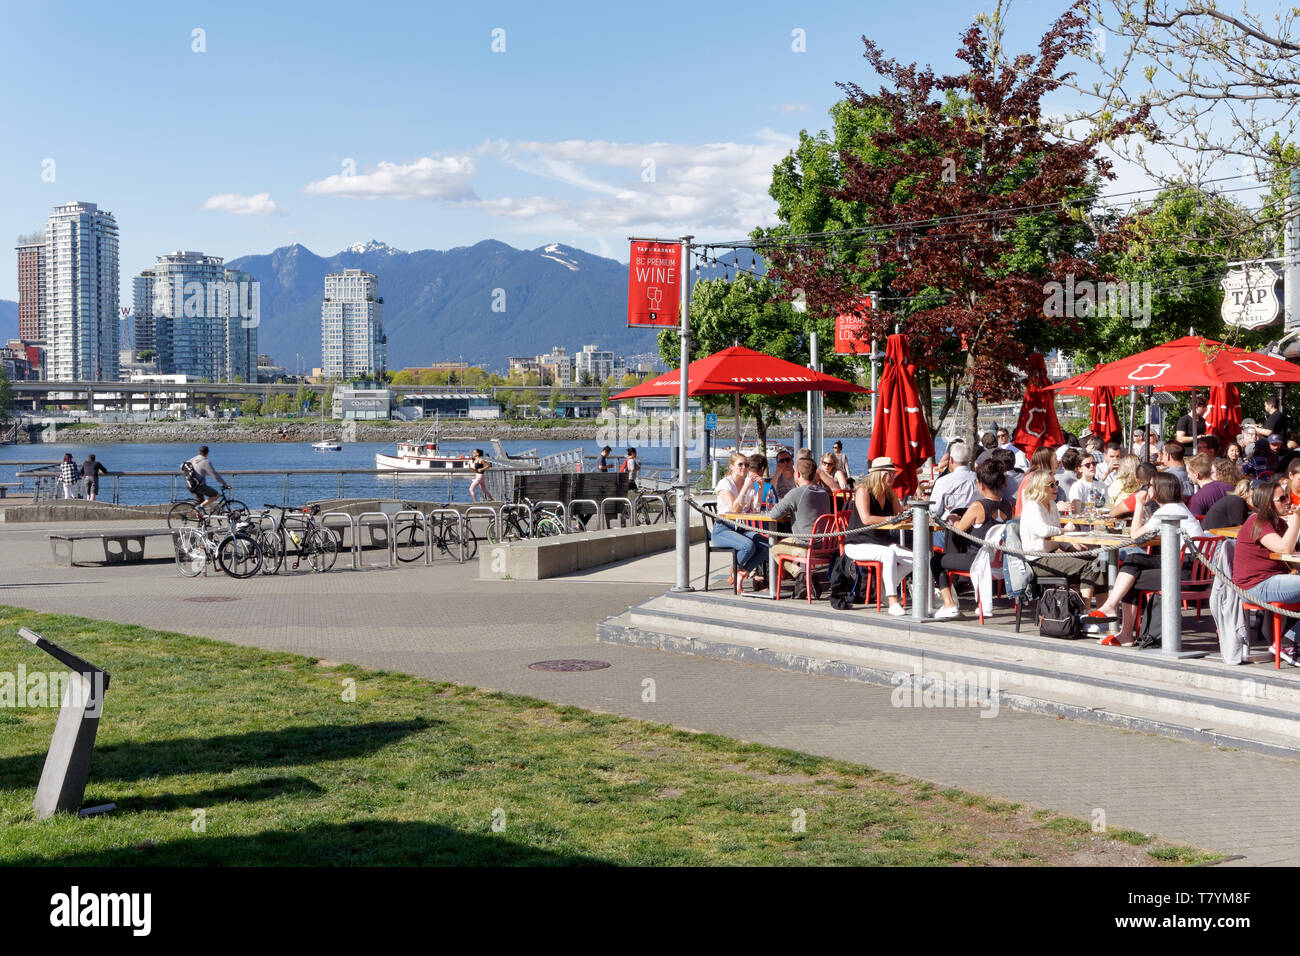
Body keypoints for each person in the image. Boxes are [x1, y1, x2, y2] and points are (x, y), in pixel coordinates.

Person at [1090, 473, 1205, 645]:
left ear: (1158, 490)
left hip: (1184, 573)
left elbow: (1135, 536)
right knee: (1133, 560)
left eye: (1149, 486)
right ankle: (1115, 613)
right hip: (1189, 566)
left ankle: (1122, 627)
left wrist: (1139, 504)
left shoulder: (1167, 511)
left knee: (1130, 576)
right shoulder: (1179, 507)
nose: (1146, 489)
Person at [931, 460, 1010, 619]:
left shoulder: (978, 506)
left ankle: (949, 604)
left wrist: (953, 519)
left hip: (975, 560)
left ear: (980, 485)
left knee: (935, 561)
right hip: (998, 561)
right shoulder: (1007, 506)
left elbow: (959, 529)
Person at [1019, 470, 1109, 604]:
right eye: (1051, 485)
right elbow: (1044, 531)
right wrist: (1064, 530)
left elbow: (1057, 538)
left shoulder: (1052, 504)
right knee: (1089, 567)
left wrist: (1071, 547)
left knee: (1100, 563)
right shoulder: (1032, 506)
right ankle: (1085, 614)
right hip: (1038, 559)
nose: (1056, 487)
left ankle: (1103, 613)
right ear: (1039, 486)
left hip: (1054, 553)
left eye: (1056, 483)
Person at [1233, 479, 1300, 657]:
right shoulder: (1258, 521)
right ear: (1268, 503)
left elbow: (1292, 554)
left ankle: (1287, 641)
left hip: (1274, 579)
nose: (1289, 501)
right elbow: (1284, 548)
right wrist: (1297, 519)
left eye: (1287, 497)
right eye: (1283, 498)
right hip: (1255, 585)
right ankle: (1288, 642)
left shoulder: (1280, 524)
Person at [843, 457, 914, 616]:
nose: (893, 477)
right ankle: (892, 599)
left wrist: (906, 513)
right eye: (890, 474)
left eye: (893, 474)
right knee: (889, 553)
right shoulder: (863, 491)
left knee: (916, 559)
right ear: (880, 474)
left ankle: (885, 586)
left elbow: (900, 515)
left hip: (880, 543)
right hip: (857, 543)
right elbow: (866, 518)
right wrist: (891, 519)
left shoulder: (889, 494)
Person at [767, 458, 834, 585]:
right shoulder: (823, 492)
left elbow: (774, 514)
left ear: (797, 474)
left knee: (774, 548)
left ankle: (801, 574)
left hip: (807, 544)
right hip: (827, 544)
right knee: (784, 541)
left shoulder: (796, 493)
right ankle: (804, 576)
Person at [713, 452, 769, 591]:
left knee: (768, 544)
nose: (744, 468)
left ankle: (741, 572)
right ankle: (736, 570)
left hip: (740, 529)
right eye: (740, 465)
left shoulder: (748, 484)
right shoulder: (724, 484)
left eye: (746, 465)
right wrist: (746, 486)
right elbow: (734, 509)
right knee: (748, 546)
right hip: (723, 529)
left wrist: (760, 488)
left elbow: (755, 509)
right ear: (732, 467)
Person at [928, 440, 978, 519]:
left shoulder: (942, 482)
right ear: (969, 459)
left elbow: (934, 511)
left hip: (949, 527)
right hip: (976, 525)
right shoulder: (981, 480)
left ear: (951, 460)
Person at [1201, 459, 1250, 529]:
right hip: (1212, 535)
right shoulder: (1236, 499)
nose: (1210, 475)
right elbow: (1239, 526)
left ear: (1222, 473)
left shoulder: (1233, 495)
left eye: (1212, 472)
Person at [1186, 453, 1231, 518]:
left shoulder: (1198, 498)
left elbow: (1196, 524)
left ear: (1196, 475)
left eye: (1189, 473)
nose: (1188, 476)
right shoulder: (1230, 487)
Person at [186, 445, 230, 513]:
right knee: (216, 495)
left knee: (201, 503)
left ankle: (201, 520)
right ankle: (200, 507)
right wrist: (225, 484)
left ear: (199, 452)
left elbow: (182, 466)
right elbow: (215, 475)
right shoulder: (206, 461)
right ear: (207, 453)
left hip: (191, 485)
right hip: (200, 486)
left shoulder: (194, 459)